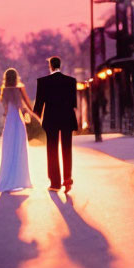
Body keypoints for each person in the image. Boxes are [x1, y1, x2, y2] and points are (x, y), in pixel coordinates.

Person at [34, 56, 78, 193]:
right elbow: (73, 103)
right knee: (67, 149)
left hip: (51, 119)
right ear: (60, 65)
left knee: (52, 149)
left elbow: (39, 104)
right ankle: (67, 179)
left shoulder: (43, 82)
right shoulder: (71, 81)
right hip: (67, 118)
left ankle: (55, 183)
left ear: (50, 66)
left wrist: (36, 117)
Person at [0, 68, 38, 192]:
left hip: (9, 122)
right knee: (19, 149)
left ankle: (7, 179)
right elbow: (25, 105)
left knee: (8, 150)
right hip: (18, 122)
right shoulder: (19, 89)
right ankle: (20, 179)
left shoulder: (4, 90)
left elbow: (5, 108)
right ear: (16, 77)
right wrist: (34, 115)